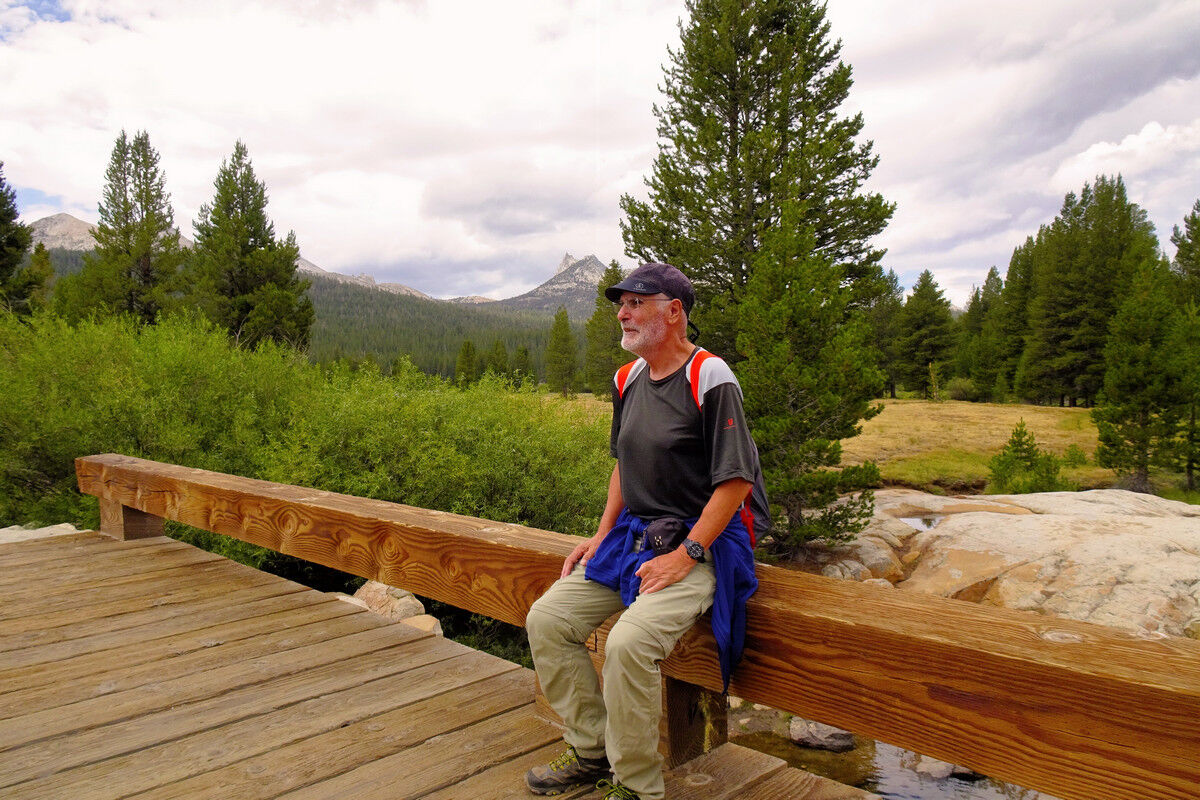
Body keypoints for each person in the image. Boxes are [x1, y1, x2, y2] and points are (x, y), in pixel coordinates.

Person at [524, 262, 760, 800]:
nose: (622, 313)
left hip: (703, 542)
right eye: (621, 304)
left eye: (636, 302)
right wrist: (601, 535)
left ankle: (636, 787)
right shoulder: (626, 379)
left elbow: (736, 481)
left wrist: (688, 554)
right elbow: (623, 468)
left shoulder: (710, 377)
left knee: (629, 644)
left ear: (673, 312)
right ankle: (589, 752)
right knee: (549, 619)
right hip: (631, 539)